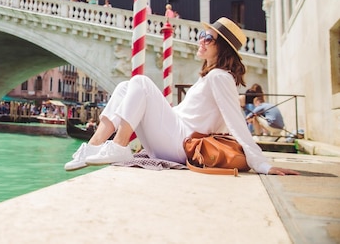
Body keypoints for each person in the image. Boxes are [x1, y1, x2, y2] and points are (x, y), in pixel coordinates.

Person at [64, 17, 299, 176]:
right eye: (202, 35)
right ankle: (94, 145)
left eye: (209, 38)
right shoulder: (209, 77)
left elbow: (235, 121)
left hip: (182, 143)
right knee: (127, 86)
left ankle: (119, 144)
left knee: (141, 82)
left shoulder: (220, 77)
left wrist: (262, 164)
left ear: (223, 48)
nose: (201, 40)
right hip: (175, 137)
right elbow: (187, 114)